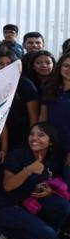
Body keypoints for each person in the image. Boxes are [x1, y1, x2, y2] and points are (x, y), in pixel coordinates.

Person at [0, 123, 69, 239]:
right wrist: (29, 169)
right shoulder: (17, 155)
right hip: (7, 205)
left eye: (41, 135)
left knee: (62, 205)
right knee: (49, 236)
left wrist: (49, 191)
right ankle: (3, 228)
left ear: (51, 142)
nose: (34, 138)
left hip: (29, 204)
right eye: (32, 134)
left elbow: (51, 181)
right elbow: (8, 186)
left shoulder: (52, 160)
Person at [39, 52, 70, 183]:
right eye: (66, 66)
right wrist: (40, 142)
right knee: (51, 184)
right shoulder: (50, 88)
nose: (69, 70)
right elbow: (43, 118)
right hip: (52, 146)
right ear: (60, 68)